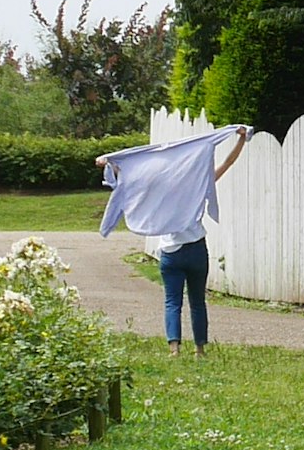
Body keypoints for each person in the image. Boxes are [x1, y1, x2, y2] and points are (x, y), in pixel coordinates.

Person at [97, 123, 254, 346]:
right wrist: (240, 139)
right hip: (197, 249)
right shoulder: (198, 187)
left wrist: (109, 162)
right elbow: (228, 163)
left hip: (171, 253)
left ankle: (174, 349)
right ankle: (200, 349)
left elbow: (130, 177)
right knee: (198, 302)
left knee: (172, 302)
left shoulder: (157, 194)